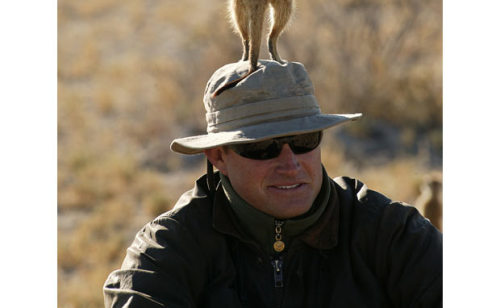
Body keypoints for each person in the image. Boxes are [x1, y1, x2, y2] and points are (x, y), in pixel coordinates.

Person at [103, 60, 442, 307]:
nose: (290, 164)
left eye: (304, 140)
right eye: (262, 148)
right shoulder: (172, 246)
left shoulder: (388, 231)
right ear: (218, 157)